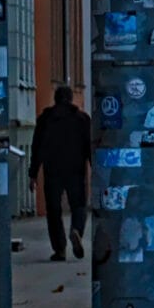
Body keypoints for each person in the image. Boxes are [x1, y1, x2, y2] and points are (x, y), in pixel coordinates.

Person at [29, 84, 92, 262]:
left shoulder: (45, 119)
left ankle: (60, 249)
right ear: (71, 99)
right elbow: (89, 147)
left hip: (52, 170)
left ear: (55, 99)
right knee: (79, 206)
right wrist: (95, 169)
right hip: (75, 170)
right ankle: (76, 230)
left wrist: (33, 174)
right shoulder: (82, 120)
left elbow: (37, 148)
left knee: (54, 211)